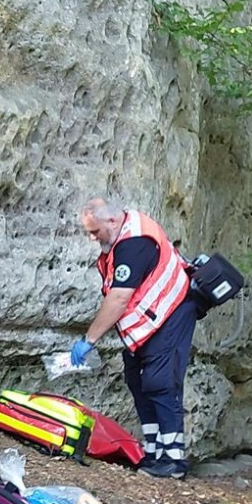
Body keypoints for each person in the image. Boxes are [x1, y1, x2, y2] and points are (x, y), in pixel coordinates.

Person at [69, 198, 196, 478]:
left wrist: (89, 340)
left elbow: (119, 298)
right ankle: (153, 452)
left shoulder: (133, 243)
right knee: (137, 380)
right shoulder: (121, 237)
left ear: (112, 221)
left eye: (95, 231)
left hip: (171, 312)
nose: (92, 239)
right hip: (150, 321)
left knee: (160, 383)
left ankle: (174, 460)